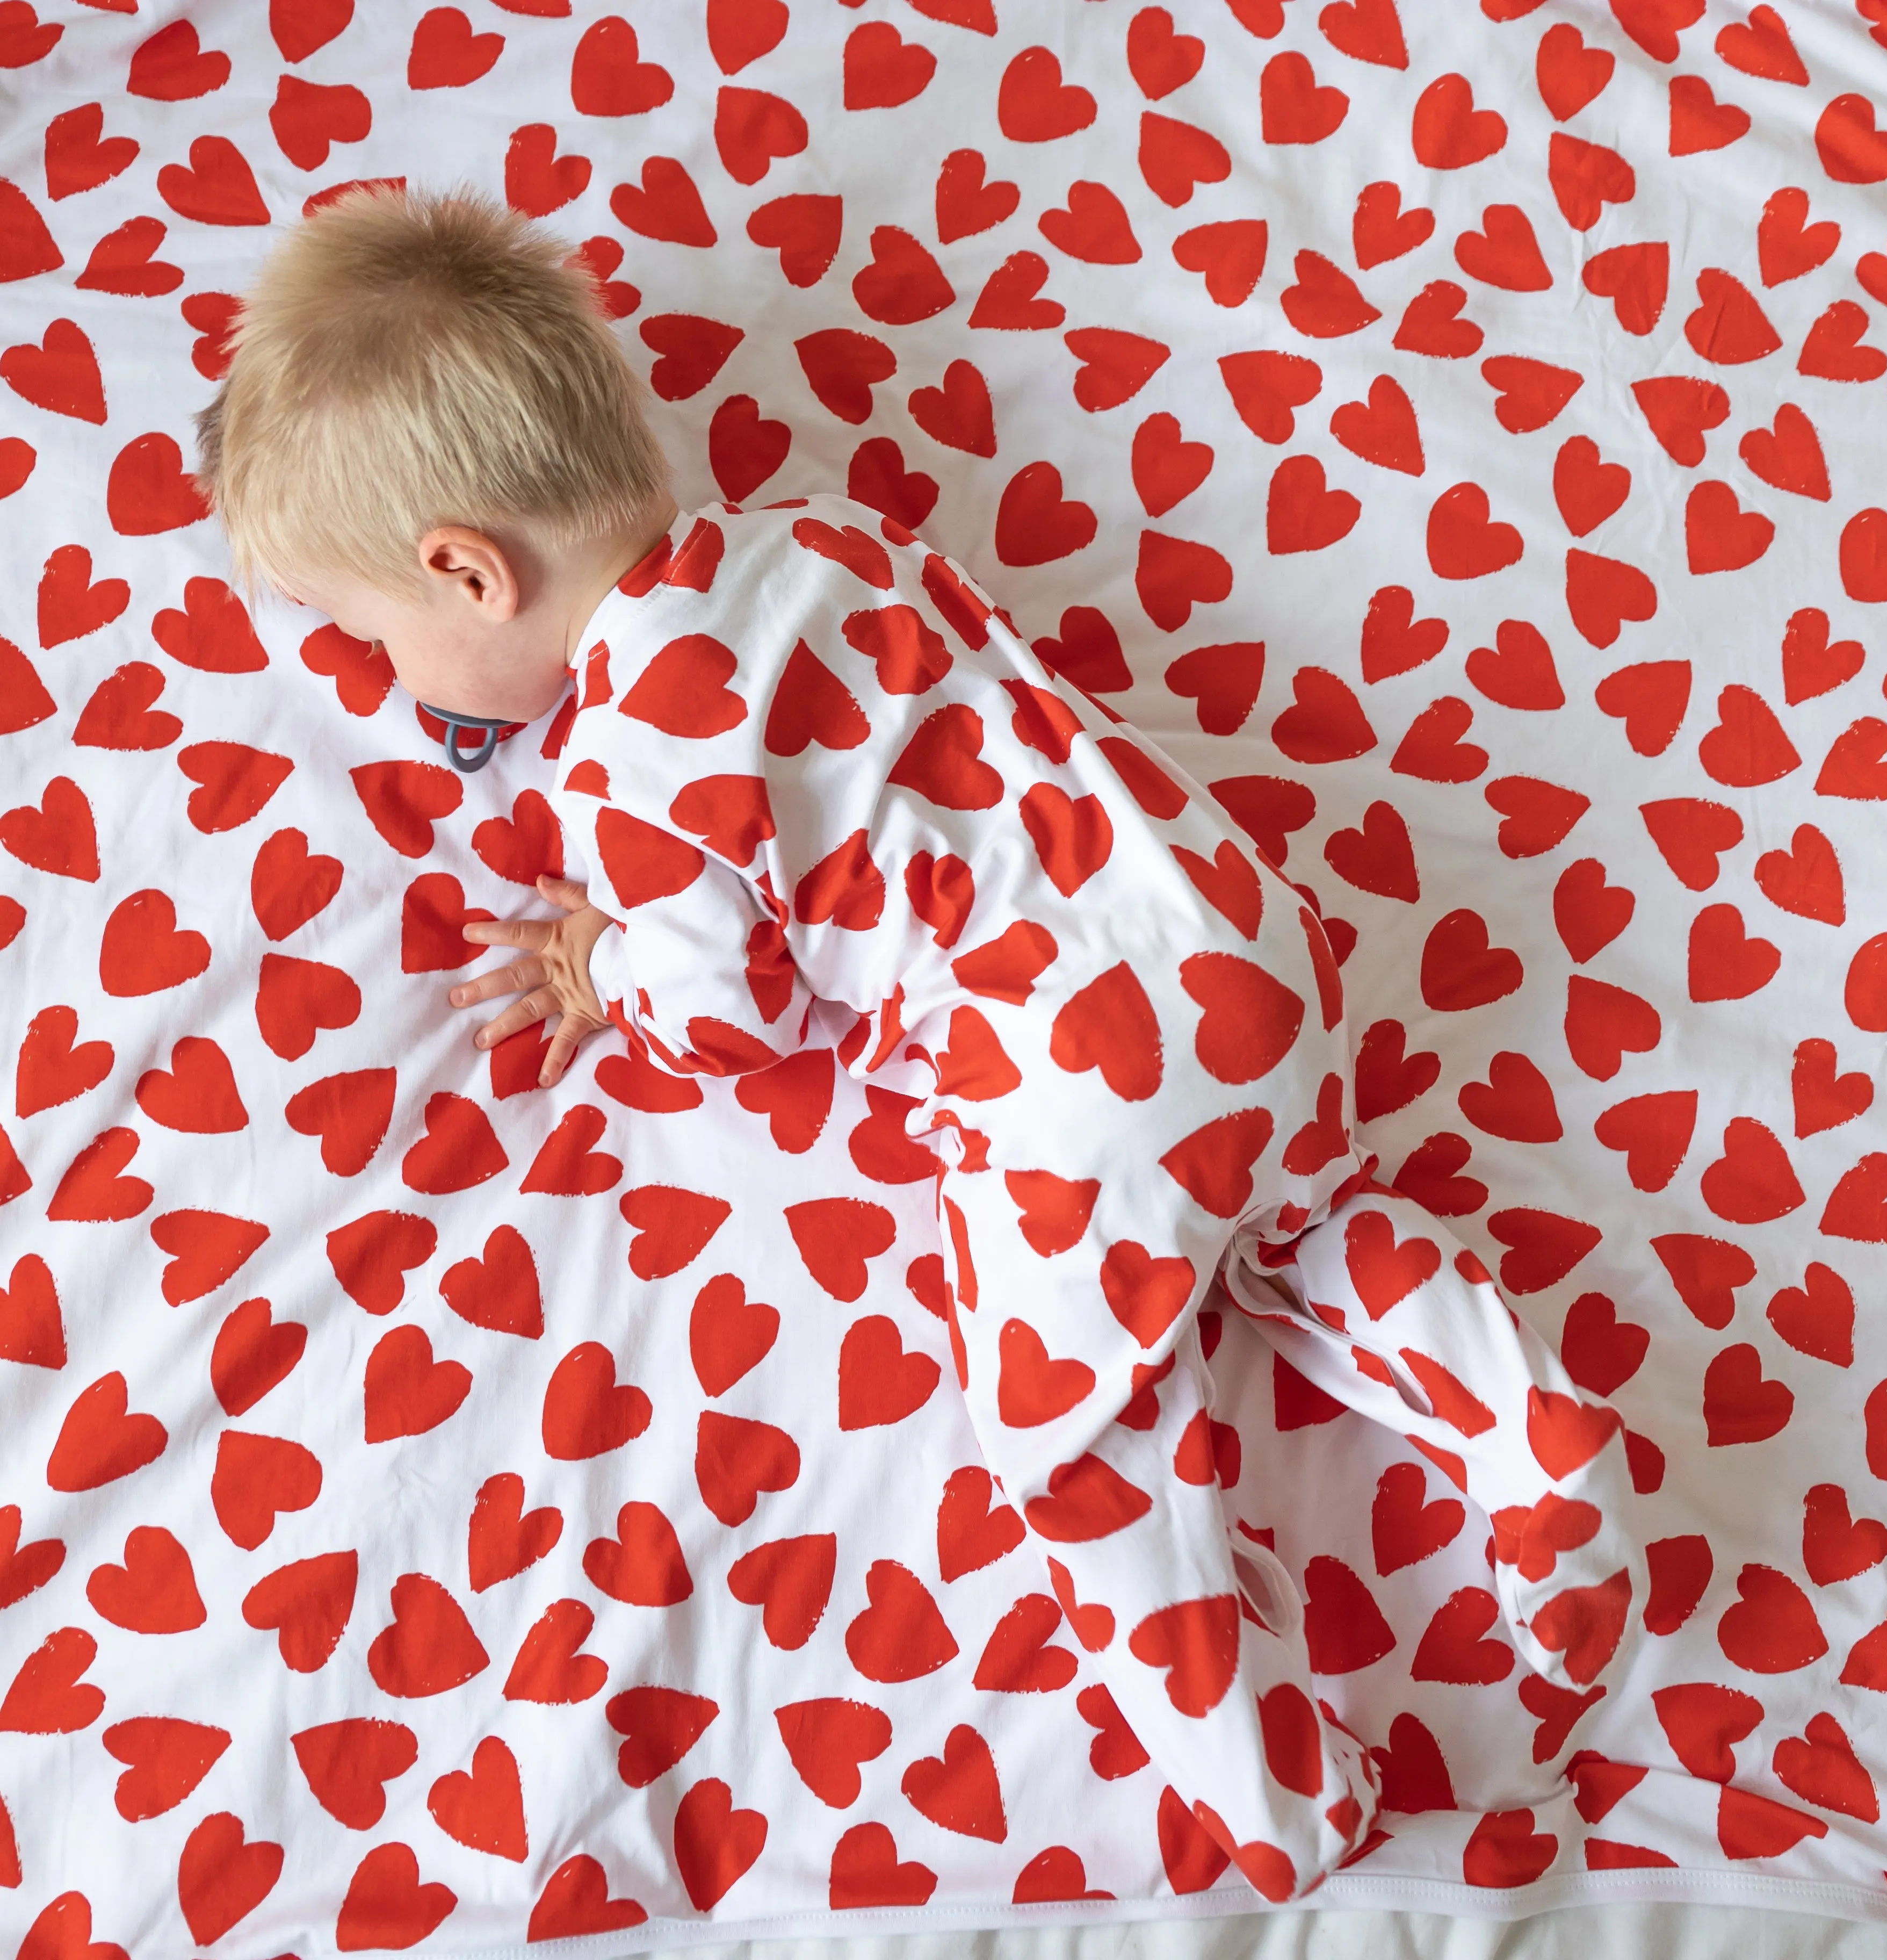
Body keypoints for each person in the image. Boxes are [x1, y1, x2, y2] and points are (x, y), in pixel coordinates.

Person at [196, 184, 1644, 1901]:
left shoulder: (634, 764)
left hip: (1076, 1076)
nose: (387, 675)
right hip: (1232, 945)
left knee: (1075, 1437)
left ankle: (1276, 1792)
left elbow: (739, 1025)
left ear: (467, 571)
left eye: (376, 638)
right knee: (1301, 1219)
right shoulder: (819, 539)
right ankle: (1529, 1437)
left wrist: (601, 958)